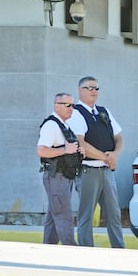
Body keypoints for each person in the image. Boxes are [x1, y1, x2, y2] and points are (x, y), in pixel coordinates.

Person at [66, 76, 125, 248]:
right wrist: (106, 157)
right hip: (87, 170)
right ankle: (86, 251)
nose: (94, 91)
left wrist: (115, 154)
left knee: (114, 214)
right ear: (80, 90)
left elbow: (119, 137)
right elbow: (80, 143)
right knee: (86, 215)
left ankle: (120, 250)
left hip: (106, 172)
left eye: (96, 88)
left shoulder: (104, 111)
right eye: (89, 88)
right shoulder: (76, 113)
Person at [36, 93, 84, 245]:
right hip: (56, 177)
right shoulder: (51, 125)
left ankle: (48, 250)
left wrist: (77, 151)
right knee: (64, 216)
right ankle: (71, 251)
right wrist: (66, 150)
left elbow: (68, 147)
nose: (72, 108)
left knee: (53, 216)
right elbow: (41, 151)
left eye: (73, 105)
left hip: (64, 176)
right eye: (67, 105)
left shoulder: (63, 124)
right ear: (56, 105)